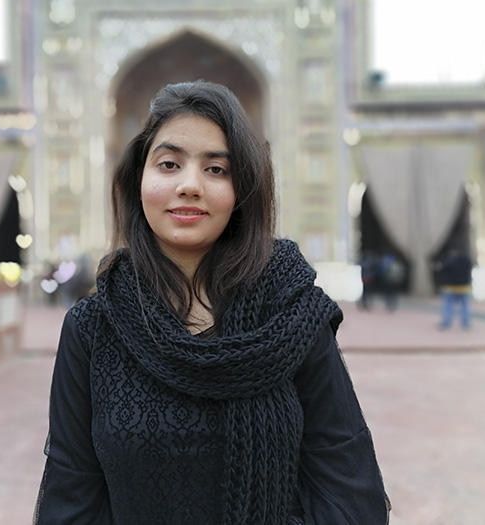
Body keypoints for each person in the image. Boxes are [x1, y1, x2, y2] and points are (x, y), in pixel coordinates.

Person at [33, 81, 390, 524]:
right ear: (137, 180)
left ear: (242, 190)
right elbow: (72, 497)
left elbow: (348, 488)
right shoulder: (94, 327)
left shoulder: (292, 315)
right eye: (168, 164)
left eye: (216, 169)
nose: (189, 185)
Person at [436, 247, 473, 330]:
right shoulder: (467, 260)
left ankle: (447, 322)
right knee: (465, 305)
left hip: (450, 287)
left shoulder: (449, 260)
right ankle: (465, 323)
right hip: (464, 286)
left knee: (448, 305)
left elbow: (442, 269)